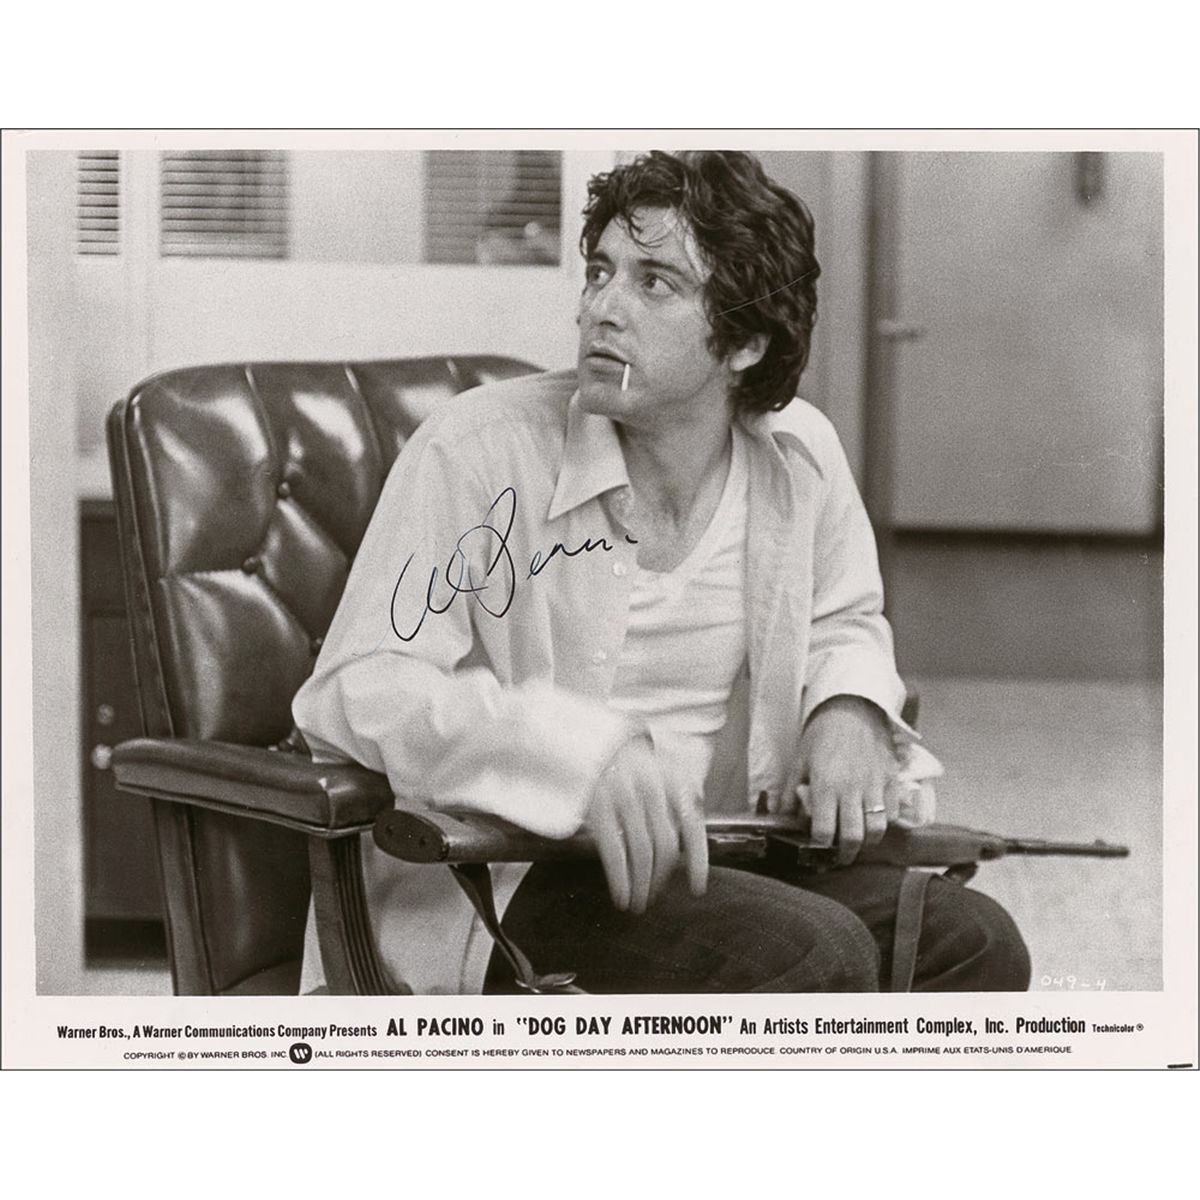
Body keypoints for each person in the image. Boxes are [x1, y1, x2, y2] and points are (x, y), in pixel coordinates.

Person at [292, 150, 1030, 995]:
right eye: (599, 272)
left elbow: (842, 620)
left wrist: (851, 707)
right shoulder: (476, 451)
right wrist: (573, 753)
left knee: (977, 944)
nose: (601, 308)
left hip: (727, 857)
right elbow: (362, 685)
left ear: (744, 343)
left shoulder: (801, 454)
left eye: (654, 283)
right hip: (512, 872)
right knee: (816, 956)